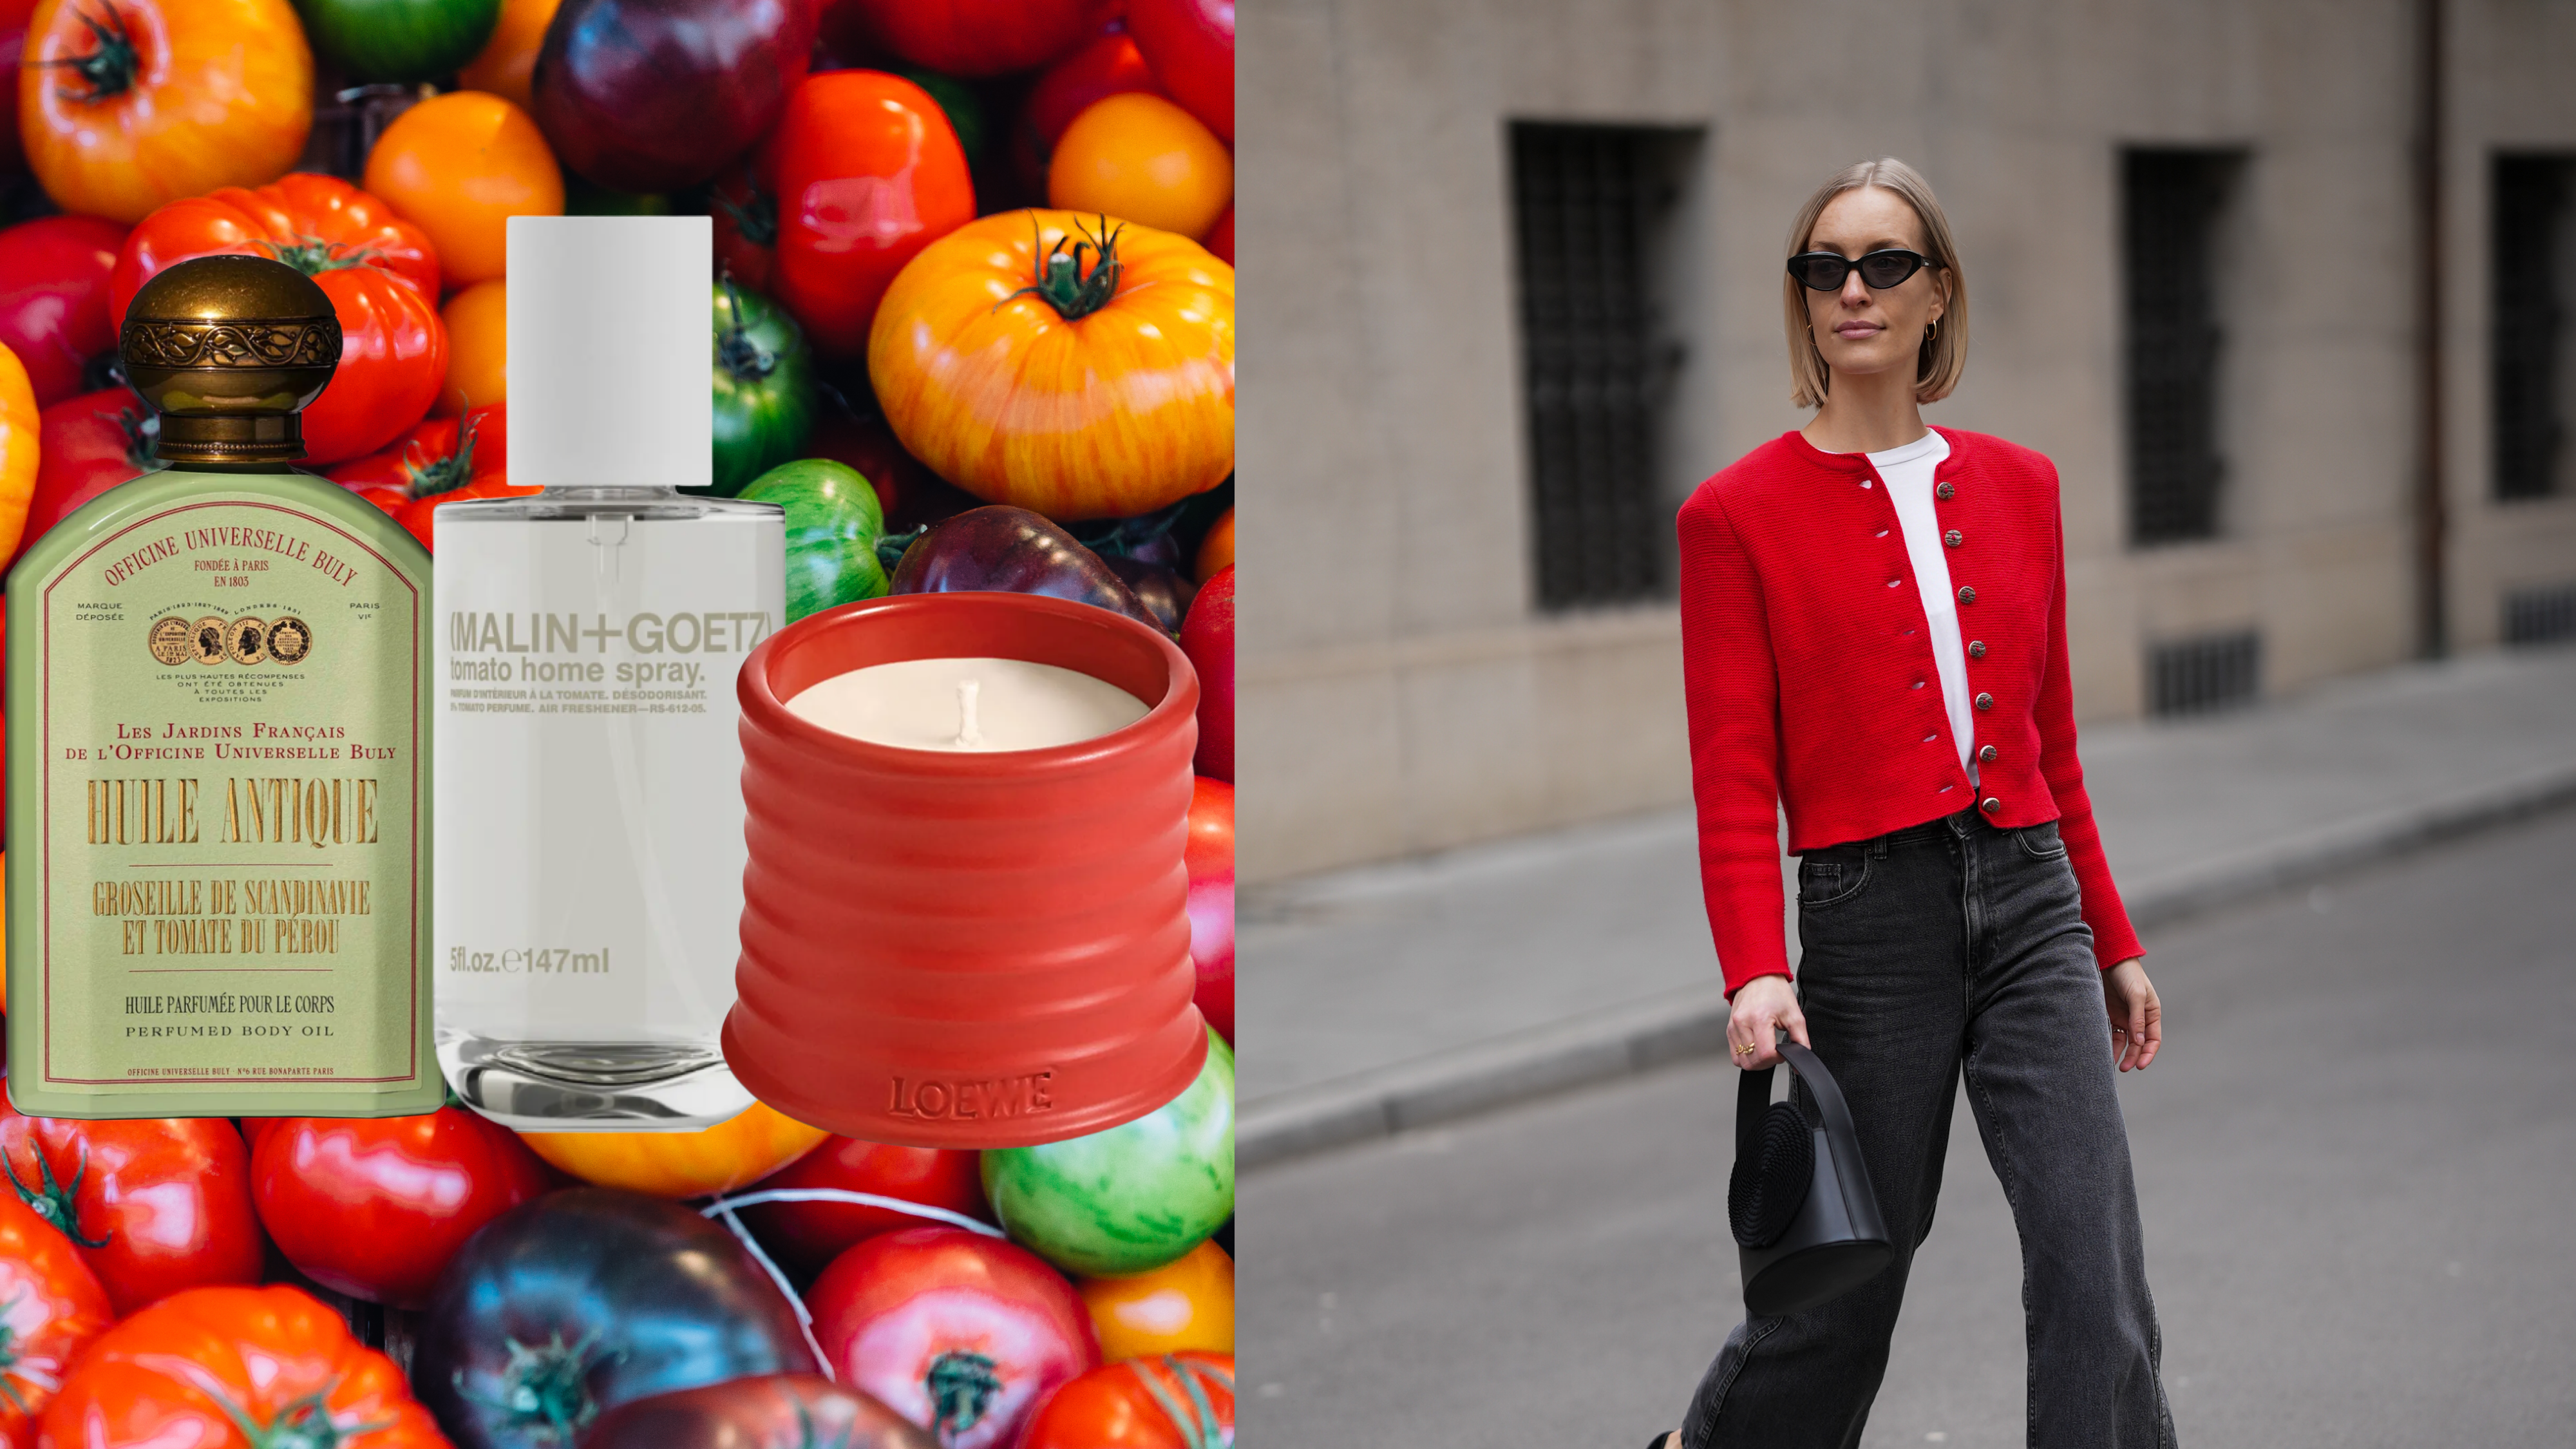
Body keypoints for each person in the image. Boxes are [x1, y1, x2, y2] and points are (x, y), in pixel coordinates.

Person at [1647, 158, 2177, 1448]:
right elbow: (1730, 772)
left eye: (1884, 263)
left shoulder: (2022, 487)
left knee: (2090, 1273)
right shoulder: (1732, 517)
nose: (1851, 290)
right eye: (1823, 267)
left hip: (2031, 900)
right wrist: (1753, 971)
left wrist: (2110, 939)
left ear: (1936, 292)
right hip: (1865, 922)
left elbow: (2049, 742)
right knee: (1837, 1292)